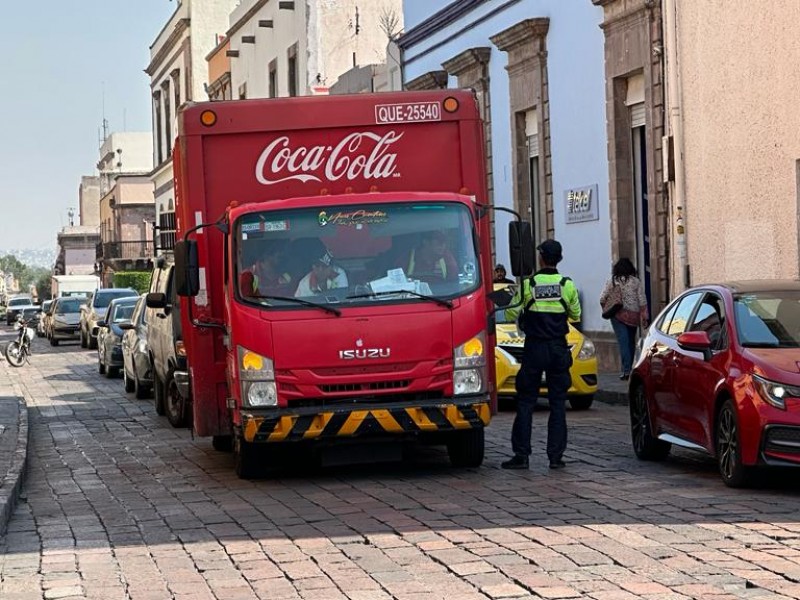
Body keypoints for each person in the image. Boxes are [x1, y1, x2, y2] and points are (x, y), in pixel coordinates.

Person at [501, 239, 581, 471]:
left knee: (526, 402)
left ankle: (522, 455)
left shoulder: (529, 284)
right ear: (559, 259)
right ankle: (555, 457)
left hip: (534, 348)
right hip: (557, 348)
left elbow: (510, 315)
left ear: (541, 258)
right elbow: (575, 313)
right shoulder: (567, 284)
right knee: (557, 403)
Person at [599, 258, 648, 380]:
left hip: (617, 316)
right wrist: (644, 317)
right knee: (630, 343)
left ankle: (626, 370)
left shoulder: (612, 281)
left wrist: (607, 308)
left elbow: (602, 298)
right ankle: (629, 369)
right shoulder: (636, 282)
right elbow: (642, 300)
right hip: (633, 316)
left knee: (623, 343)